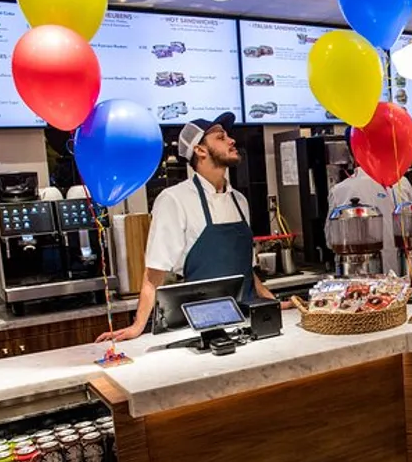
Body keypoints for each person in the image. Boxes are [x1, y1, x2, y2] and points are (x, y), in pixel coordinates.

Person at [97, 112, 278, 343]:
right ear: (200, 150)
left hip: (252, 322)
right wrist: (137, 326)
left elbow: (246, 273)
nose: (232, 141)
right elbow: (154, 275)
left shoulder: (239, 200)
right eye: (221, 137)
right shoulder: (174, 199)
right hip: (205, 327)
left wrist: (271, 302)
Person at [327, 128, 412, 275]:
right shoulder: (402, 183)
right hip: (403, 275)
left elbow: (331, 241)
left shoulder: (339, 191)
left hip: (356, 277)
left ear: (352, 151)